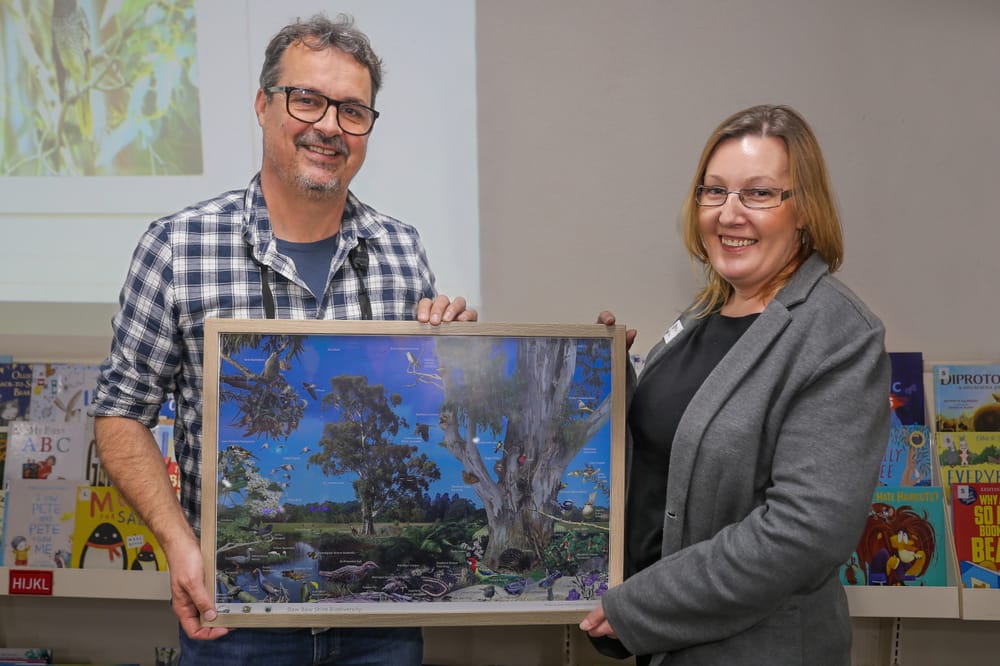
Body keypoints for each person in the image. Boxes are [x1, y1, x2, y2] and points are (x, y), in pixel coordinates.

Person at [92, 14, 476, 666]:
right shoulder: (177, 248)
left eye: (353, 110)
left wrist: (464, 360)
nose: (329, 125)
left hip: (381, 621)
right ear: (263, 105)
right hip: (236, 621)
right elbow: (120, 413)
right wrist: (180, 545)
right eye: (307, 99)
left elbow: (427, 413)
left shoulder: (401, 251)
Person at [583, 104, 890, 665]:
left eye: (759, 193)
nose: (729, 214)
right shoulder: (705, 312)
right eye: (714, 191)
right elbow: (675, 452)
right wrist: (608, 374)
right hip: (665, 648)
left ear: (805, 211)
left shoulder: (839, 336)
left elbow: (800, 536)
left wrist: (640, 607)